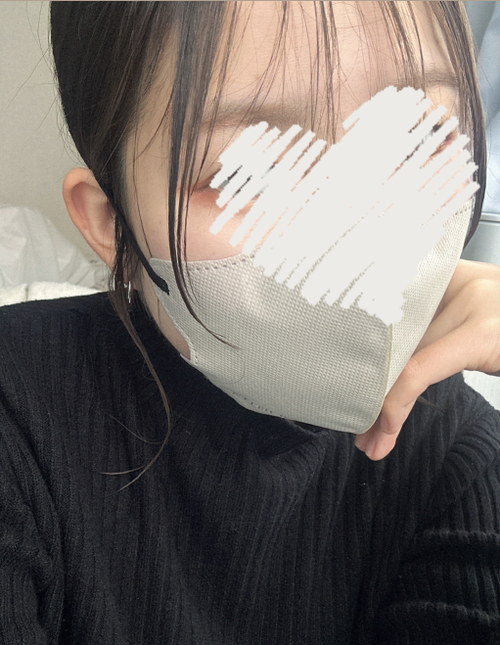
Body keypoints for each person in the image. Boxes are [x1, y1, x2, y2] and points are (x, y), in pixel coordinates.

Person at [0, 2, 499, 643]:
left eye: (420, 139)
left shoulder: (456, 454)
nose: (365, 229)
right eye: (253, 172)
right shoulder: (18, 417)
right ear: (111, 223)